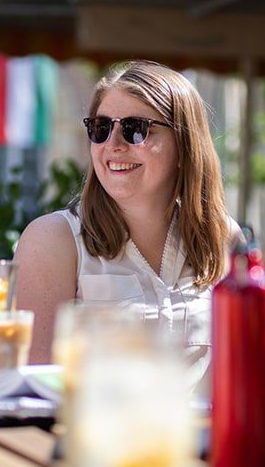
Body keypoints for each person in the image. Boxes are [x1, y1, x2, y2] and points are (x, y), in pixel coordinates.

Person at [14, 60, 233, 390]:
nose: (113, 144)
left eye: (135, 129)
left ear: (184, 145)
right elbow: (36, 391)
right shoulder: (53, 240)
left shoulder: (224, 238)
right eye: (100, 128)